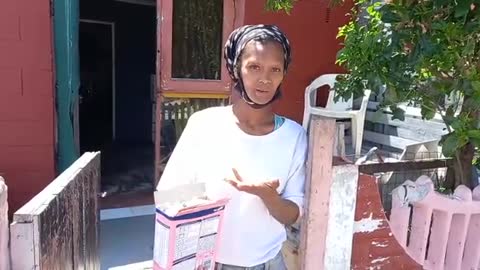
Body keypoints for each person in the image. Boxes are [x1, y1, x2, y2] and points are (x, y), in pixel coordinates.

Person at [157, 24, 307, 269]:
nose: (265, 79)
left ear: (283, 74)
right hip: (208, 263)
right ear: (237, 68)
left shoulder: (295, 135)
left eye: (275, 69)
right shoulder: (204, 125)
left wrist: (269, 197)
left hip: (270, 263)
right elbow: (166, 197)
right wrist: (208, 196)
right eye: (254, 67)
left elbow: (294, 213)